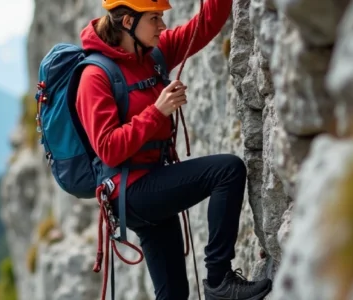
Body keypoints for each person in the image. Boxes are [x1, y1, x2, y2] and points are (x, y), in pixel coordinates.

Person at [74, 0, 274, 299]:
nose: (162, 26)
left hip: (151, 184)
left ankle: (217, 283)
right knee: (227, 170)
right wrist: (158, 111)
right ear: (128, 22)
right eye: (154, 18)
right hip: (130, 192)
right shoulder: (95, 77)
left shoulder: (153, 54)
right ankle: (218, 280)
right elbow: (108, 149)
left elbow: (203, 26)